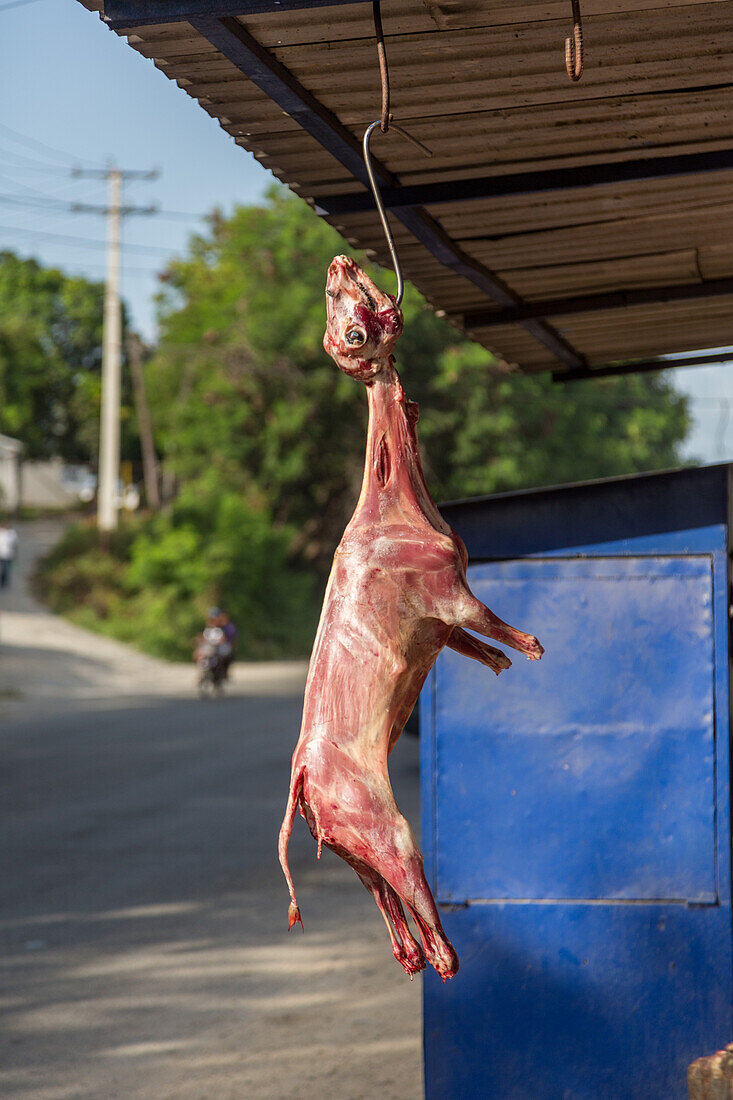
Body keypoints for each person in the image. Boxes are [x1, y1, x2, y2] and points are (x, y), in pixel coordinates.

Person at [0, 522, 18, 589]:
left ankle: (5, 582)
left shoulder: (12, 533)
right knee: (5, 569)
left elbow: (15, 544)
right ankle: (3, 582)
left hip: (9, 554)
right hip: (2, 554)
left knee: (7, 569)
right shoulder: (2, 533)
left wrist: (15, 554)